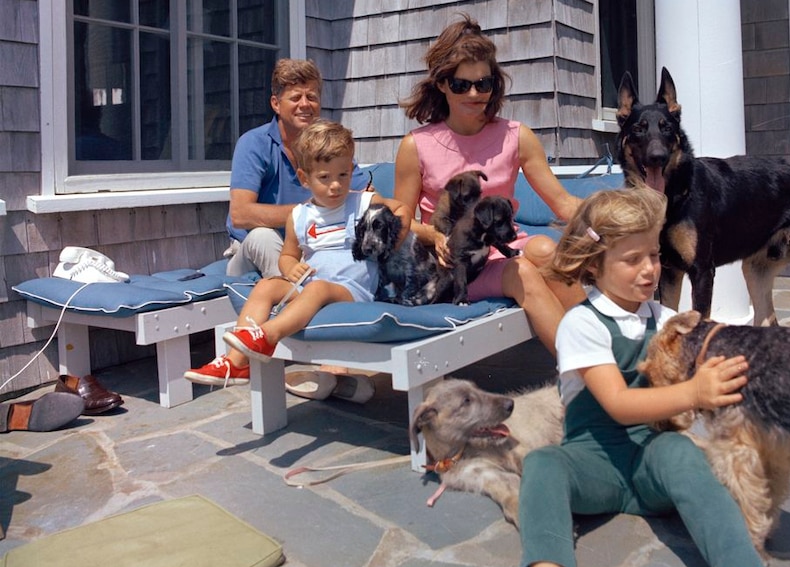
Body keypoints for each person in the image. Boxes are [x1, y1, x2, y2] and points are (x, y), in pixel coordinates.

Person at [518, 186, 766, 567]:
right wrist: (694, 391)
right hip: (592, 464)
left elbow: (709, 347)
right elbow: (618, 404)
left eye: (653, 254)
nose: (650, 269)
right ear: (594, 266)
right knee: (543, 464)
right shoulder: (581, 324)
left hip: (651, 462)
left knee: (682, 453)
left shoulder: (663, 318)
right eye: (633, 259)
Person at [393, 14, 584, 354]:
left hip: (504, 250)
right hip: (455, 266)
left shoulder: (517, 136)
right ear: (441, 84)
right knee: (522, 270)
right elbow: (402, 221)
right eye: (461, 84)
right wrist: (435, 236)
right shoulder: (416, 146)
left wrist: (620, 220)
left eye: (484, 84)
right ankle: (588, 376)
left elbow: (564, 204)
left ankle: (608, 352)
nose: (474, 93)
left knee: (544, 249)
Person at [187, 120, 411, 399]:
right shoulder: (299, 216)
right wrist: (290, 268)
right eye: (325, 177)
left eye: (343, 175)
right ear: (305, 178)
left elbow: (401, 208)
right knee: (267, 286)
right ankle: (236, 363)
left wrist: (387, 244)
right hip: (312, 284)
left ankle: (266, 337)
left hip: (351, 289)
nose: (335, 185)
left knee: (317, 289)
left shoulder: (362, 203)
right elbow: (289, 254)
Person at [223, 58, 371, 395]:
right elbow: (242, 215)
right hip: (251, 250)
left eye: (312, 97)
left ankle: (329, 369)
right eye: (295, 97)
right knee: (265, 238)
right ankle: (328, 361)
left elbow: (360, 194)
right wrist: (311, 212)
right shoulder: (254, 144)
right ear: (276, 103)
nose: (306, 105)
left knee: (344, 258)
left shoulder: (327, 146)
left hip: (310, 249)